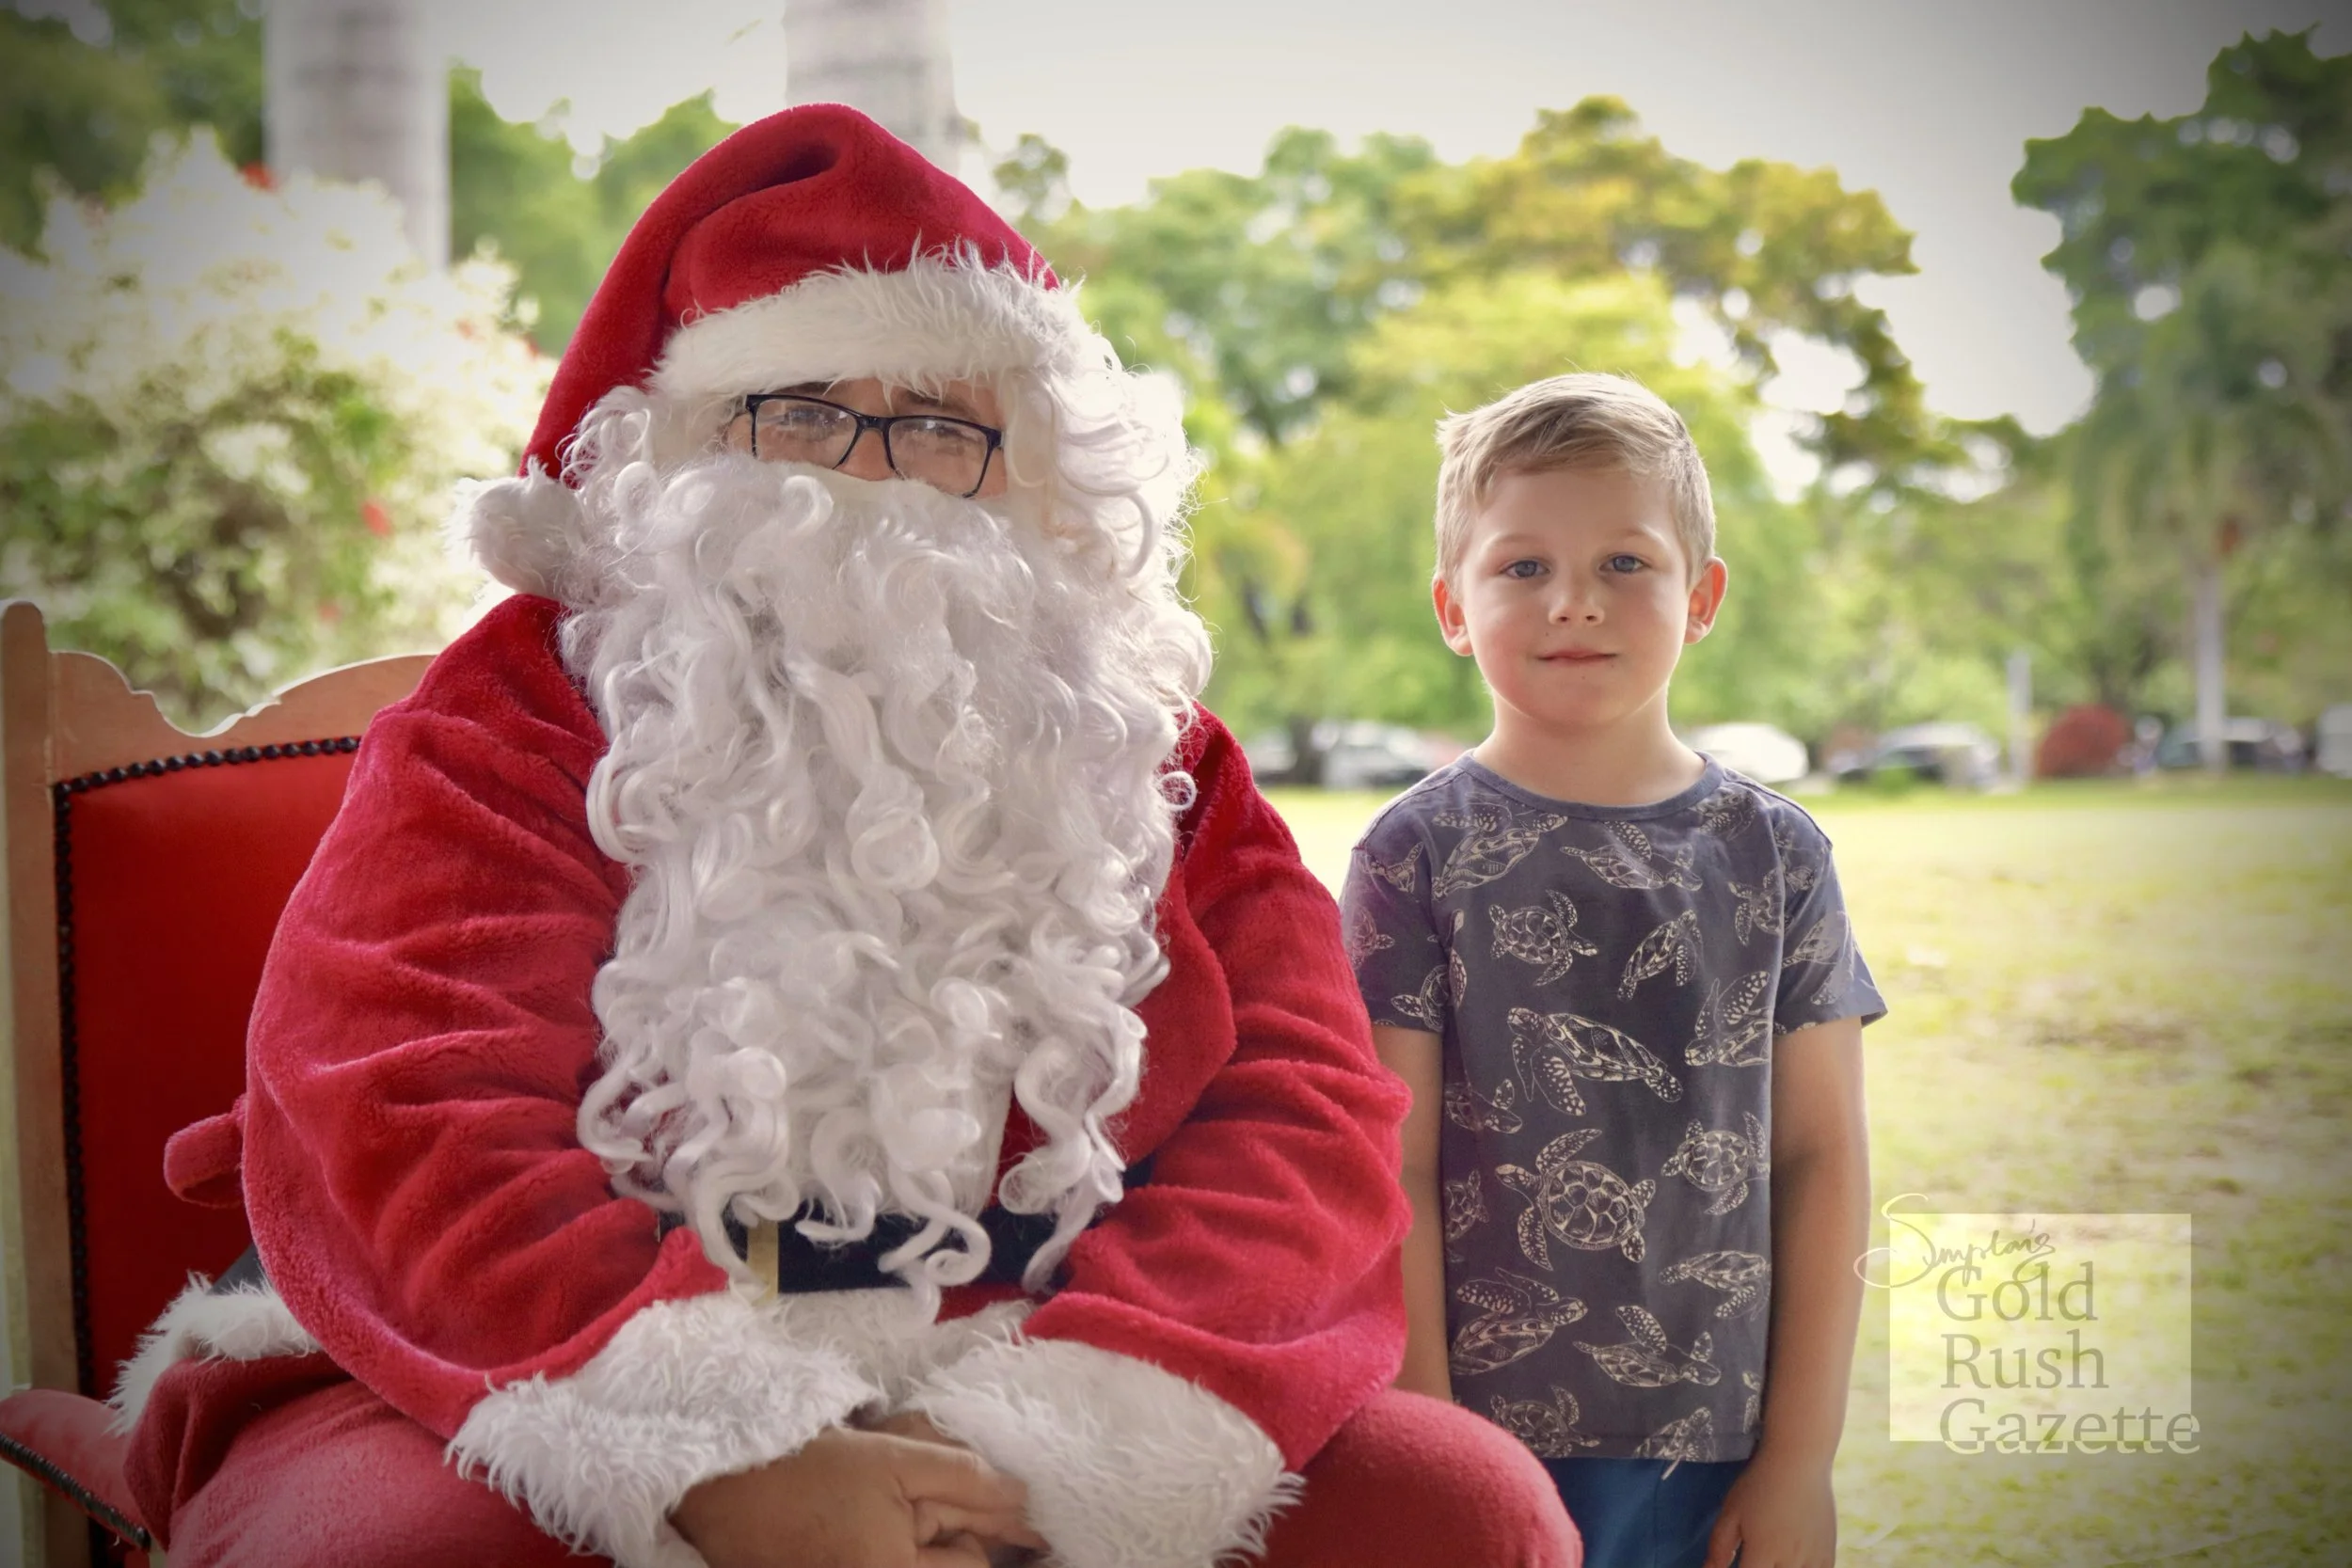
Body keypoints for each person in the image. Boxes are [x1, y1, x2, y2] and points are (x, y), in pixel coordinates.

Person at [112, 106, 1581, 1568]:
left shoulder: (1146, 745)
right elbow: (406, 1093)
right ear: (677, 448)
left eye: (941, 423)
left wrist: (1046, 1440)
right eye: (801, 412)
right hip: (527, 1356)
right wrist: (726, 1451)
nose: (868, 471)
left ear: (1039, 475)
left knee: (1466, 1509)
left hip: (1028, 1352)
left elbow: (1306, 1112)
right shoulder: (516, 709)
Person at [1342, 373, 1882, 1568]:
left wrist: (1800, 1458)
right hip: (1488, 1443)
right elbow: (1395, 1166)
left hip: (1719, 1447)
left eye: (1624, 562)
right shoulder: (1411, 854)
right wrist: (1437, 1452)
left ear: (1702, 597)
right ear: (1451, 605)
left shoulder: (1775, 854)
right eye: (1522, 565)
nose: (1573, 601)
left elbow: (1821, 1156)